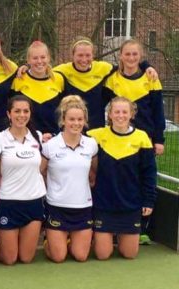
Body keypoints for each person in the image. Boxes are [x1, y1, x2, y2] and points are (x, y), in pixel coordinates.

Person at [87, 97, 157, 259]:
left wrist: (148, 201)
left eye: (125, 112)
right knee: (103, 255)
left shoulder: (142, 138)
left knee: (129, 254)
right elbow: (71, 134)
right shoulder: (95, 135)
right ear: (109, 114)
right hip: (103, 205)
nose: (120, 115)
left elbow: (149, 173)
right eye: (116, 112)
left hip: (131, 205)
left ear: (132, 114)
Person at [0, 95, 46, 265]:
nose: (22, 115)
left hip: (34, 202)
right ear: (8, 114)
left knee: (26, 258)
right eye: (17, 111)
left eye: (25, 111)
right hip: (8, 203)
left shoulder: (39, 137)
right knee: (9, 259)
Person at [52, 37, 158, 130]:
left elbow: (128, 64)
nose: (84, 59)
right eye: (80, 55)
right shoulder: (62, 71)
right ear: (72, 55)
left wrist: (147, 66)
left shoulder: (103, 68)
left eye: (88, 55)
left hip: (96, 130)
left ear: (93, 55)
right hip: (71, 130)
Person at [40, 95, 98, 263]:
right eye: (71, 119)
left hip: (83, 206)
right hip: (57, 206)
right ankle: (49, 241)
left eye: (80, 119)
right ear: (63, 120)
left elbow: (94, 171)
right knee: (58, 257)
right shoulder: (50, 145)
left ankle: (70, 239)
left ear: (85, 121)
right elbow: (40, 172)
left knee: (80, 256)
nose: (76, 123)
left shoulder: (91, 144)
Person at [103, 39, 165, 156]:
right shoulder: (112, 79)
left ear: (141, 55)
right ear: (120, 56)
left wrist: (159, 140)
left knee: (144, 173)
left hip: (145, 137)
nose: (131, 58)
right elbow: (97, 104)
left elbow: (158, 112)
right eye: (127, 54)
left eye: (135, 54)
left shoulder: (151, 78)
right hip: (118, 137)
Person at [13, 41, 65, 142]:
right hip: (27, 139)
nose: (39, 61)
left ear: (48, 57)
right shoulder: (18, 79)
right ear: (28, 60)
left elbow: (64, 110)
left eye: (43, 57)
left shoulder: (59, 79)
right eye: (35, 58)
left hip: (54, 138)